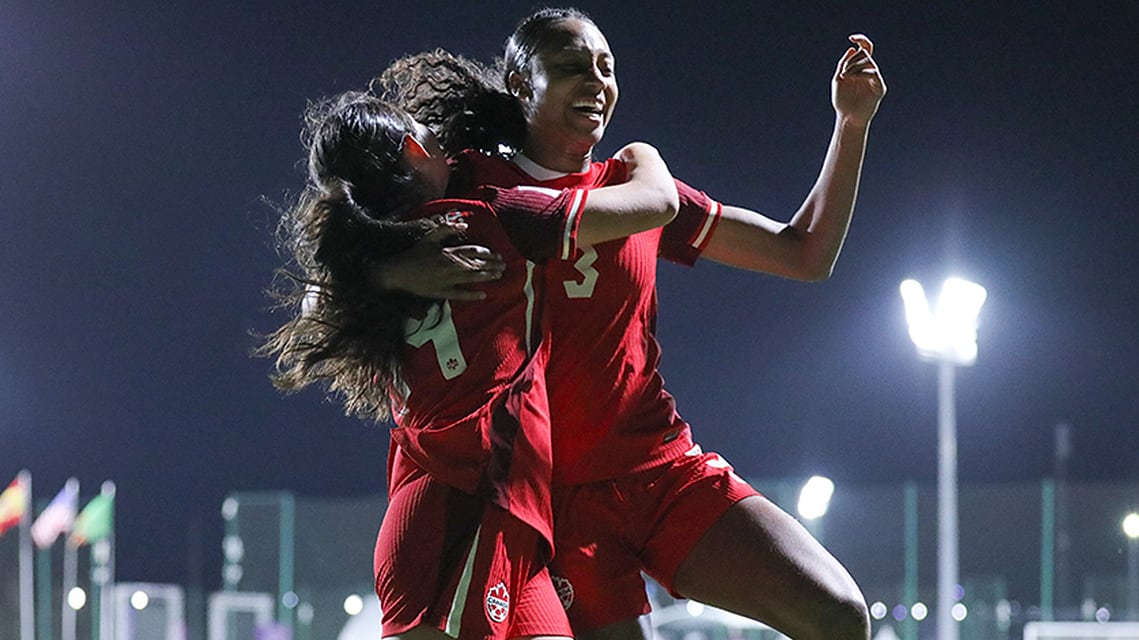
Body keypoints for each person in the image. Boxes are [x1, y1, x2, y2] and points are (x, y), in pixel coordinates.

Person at [371, 7, 887, 640]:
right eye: (571, 66)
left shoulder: (635, 188)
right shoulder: (471, 185)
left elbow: (804, 253)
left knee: (838, 614)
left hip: (661, 471)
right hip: (552, 503)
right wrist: (386, 271)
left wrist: (851, 124)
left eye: (606, 68)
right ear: (519, 82)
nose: (596, 82)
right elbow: (326, 284)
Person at [260, 90, 679, 640]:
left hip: (486, 502)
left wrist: (386, 275)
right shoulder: (493, 217)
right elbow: (656, 203)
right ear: (414, 149)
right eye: (427, 133)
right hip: (465, 500)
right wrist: (643, 154)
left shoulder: (368, 256)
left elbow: (317, 299)